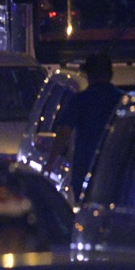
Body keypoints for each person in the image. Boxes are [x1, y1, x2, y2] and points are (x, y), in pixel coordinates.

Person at [55, 53, 122, 195]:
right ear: (110, 74)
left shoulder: (80, 100)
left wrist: (51, 162)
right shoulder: (122, 101)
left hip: (85, 167)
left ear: (89, 74)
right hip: (117, 168)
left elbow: (64, 132)